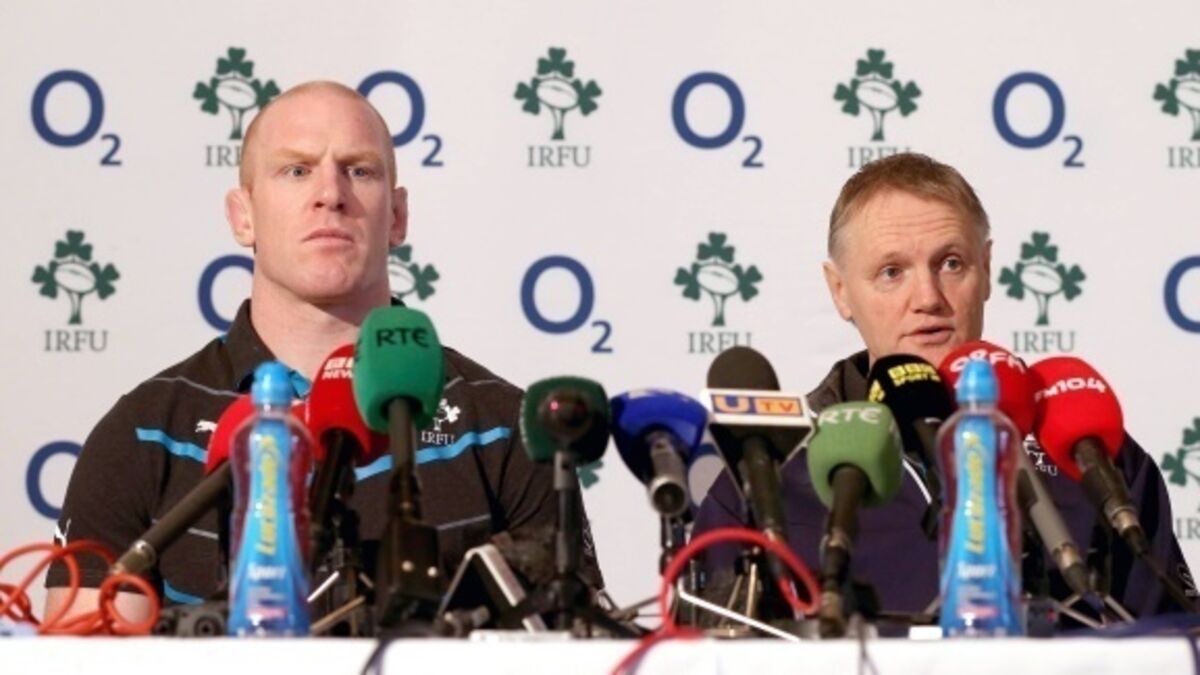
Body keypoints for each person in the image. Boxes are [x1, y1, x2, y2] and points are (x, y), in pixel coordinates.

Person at [45, 82, 600, 621]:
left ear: (397, 216)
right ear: (243, 216)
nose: (330, 193)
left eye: (359, 170)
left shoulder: (505, 428)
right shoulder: (143, 433)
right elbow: (80, 659)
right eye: (297, 170)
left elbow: (578, 646)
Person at [693, 152, 1194, 621]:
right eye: (892, 272)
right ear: (840, 291)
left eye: (951, 263)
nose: (928, 297)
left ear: (987, 270)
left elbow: (1171, 646)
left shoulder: (1085, 448)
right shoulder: (766, 469)